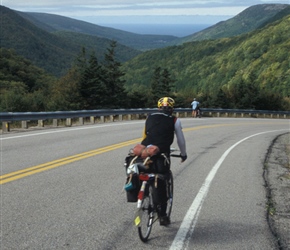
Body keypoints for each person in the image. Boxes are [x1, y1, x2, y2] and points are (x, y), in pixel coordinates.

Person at [141, 97, 187, 226]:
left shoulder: (149, 117)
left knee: (145, 173)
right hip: (161, 154)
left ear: (158, 108)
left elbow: (145, 137)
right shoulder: (174, 120)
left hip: (146, 152)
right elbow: (181, 141)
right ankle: (162, 215)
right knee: (162, 179)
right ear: (172, 109)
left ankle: (143, 192)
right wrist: (183, 154)